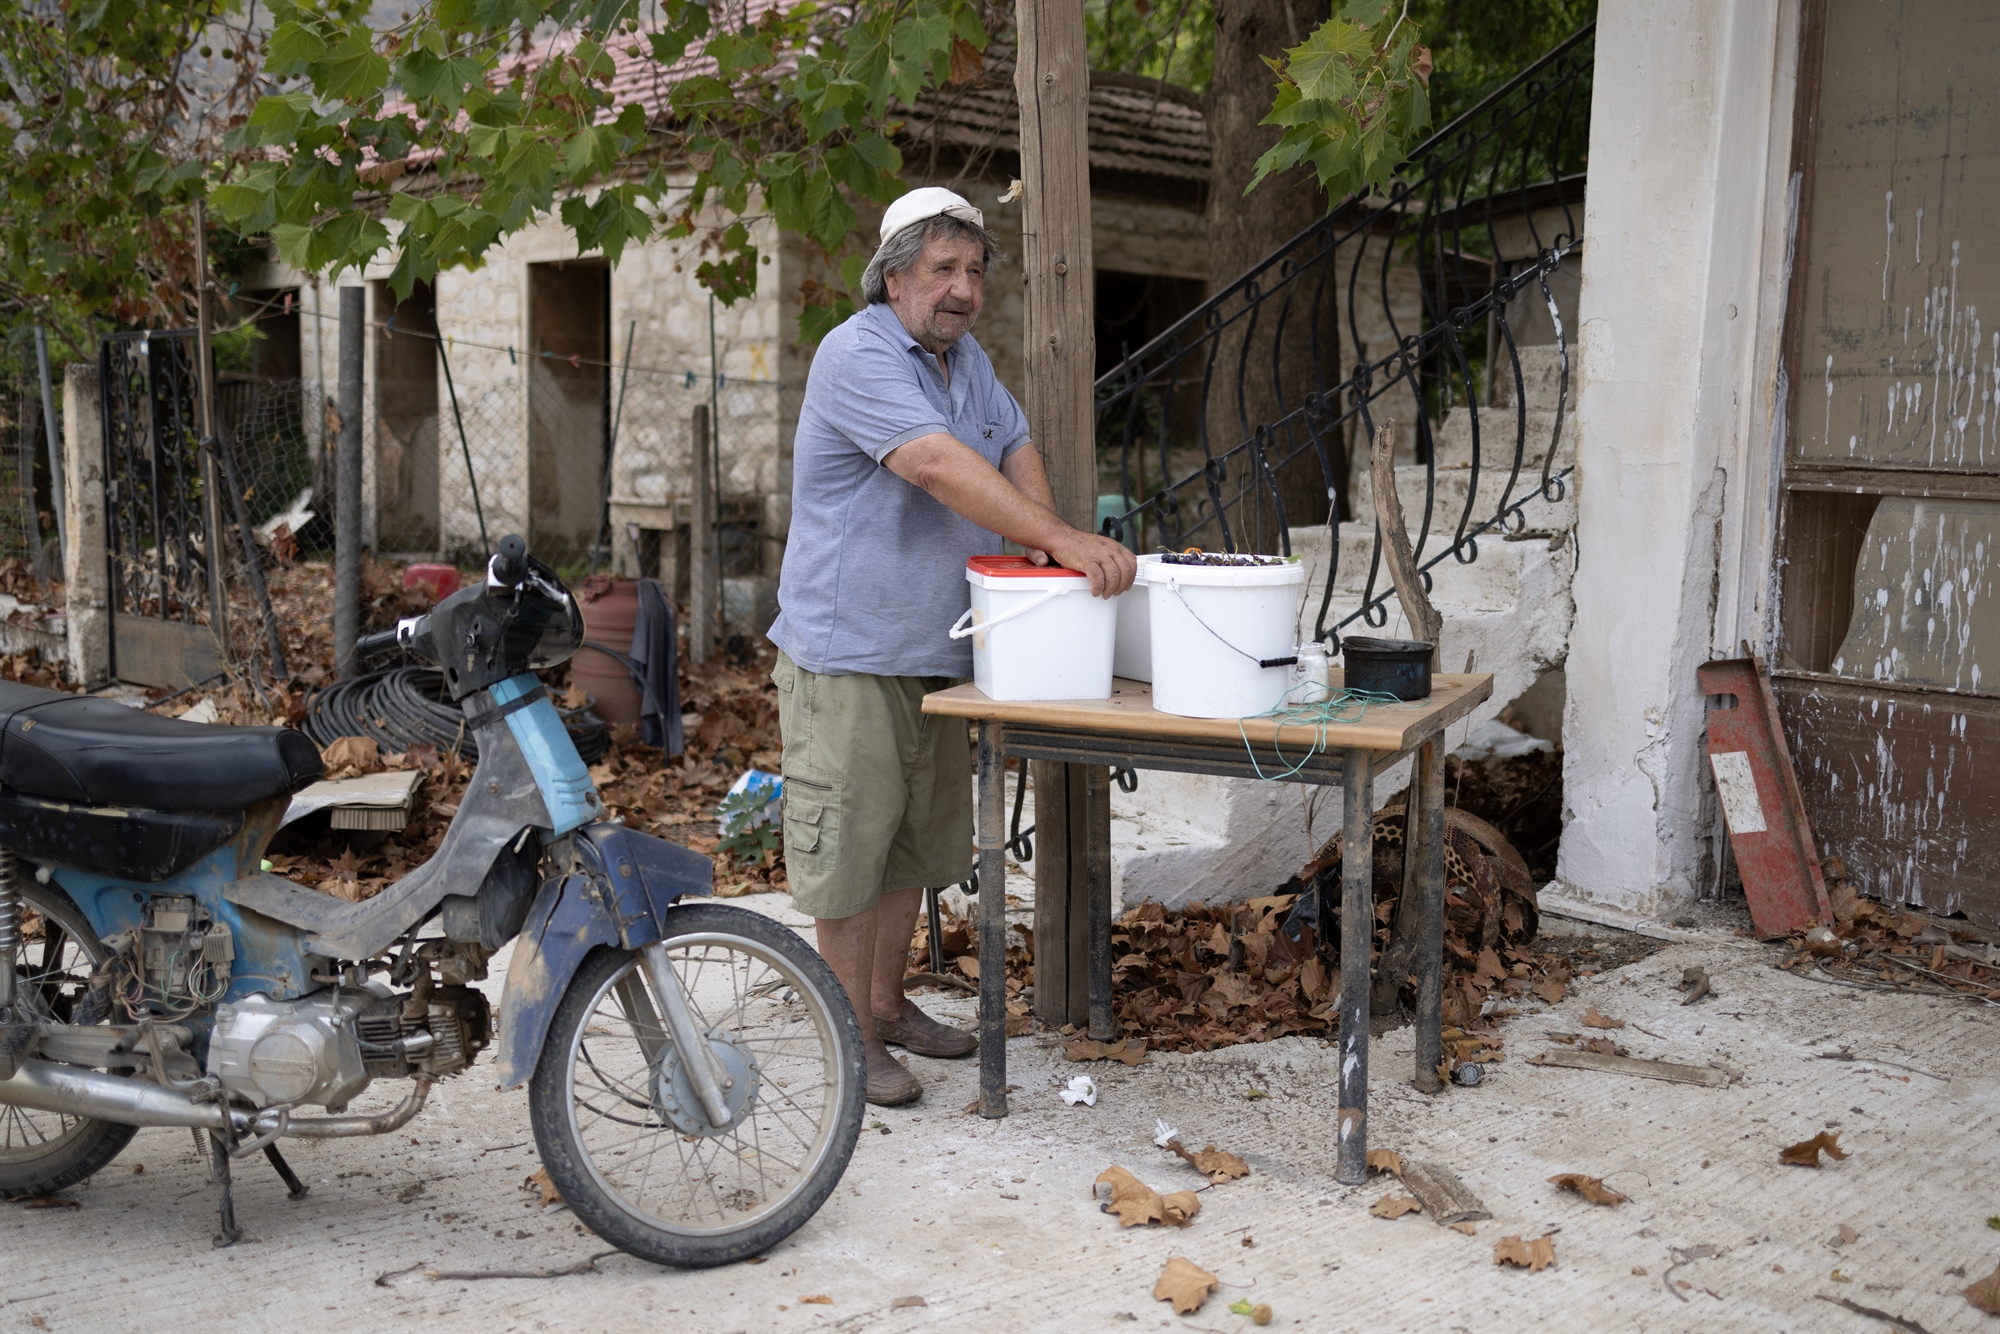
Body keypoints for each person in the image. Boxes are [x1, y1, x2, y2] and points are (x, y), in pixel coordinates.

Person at [768, 187, 1138, 1106]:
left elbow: (1011, 443)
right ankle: (849, 1036)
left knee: (909, 846)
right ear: (894, 279)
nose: (962, 289)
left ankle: (887, 1007)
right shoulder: (856, 353)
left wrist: (1037, 527)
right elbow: (933, 463)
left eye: (973, 271)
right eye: (942, 270)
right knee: (850, 847)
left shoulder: (966, 362)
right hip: (846, 651)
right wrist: (1060, 542)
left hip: (935, 650)